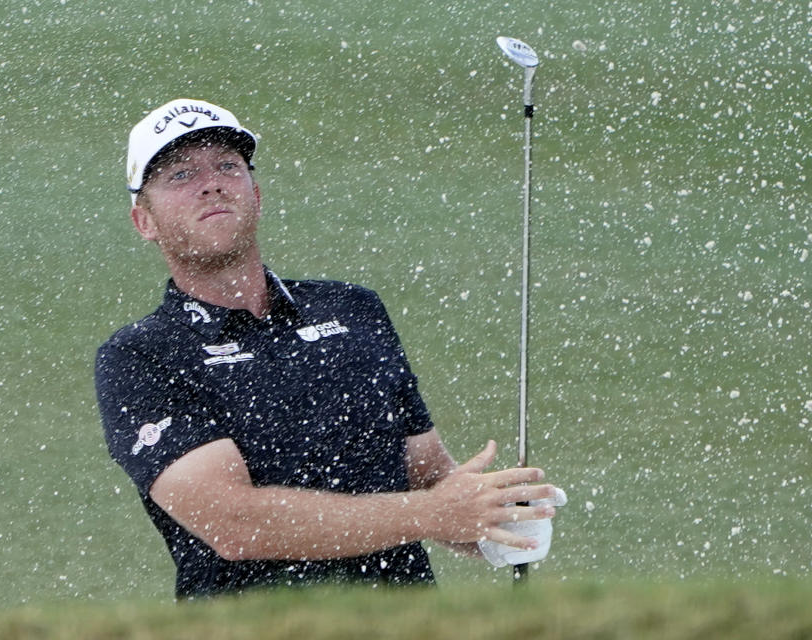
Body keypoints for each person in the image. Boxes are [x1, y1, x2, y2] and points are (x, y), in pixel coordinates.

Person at [94, 98, 559, 599]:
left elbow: (427, 481)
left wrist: (496, 523)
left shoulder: (353, 308)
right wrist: (433, 512)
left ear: (257, 193)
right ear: (144, 221)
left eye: (228, 165)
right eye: (181, 174)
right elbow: (234, 523)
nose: (211, 182)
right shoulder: (141, 356)